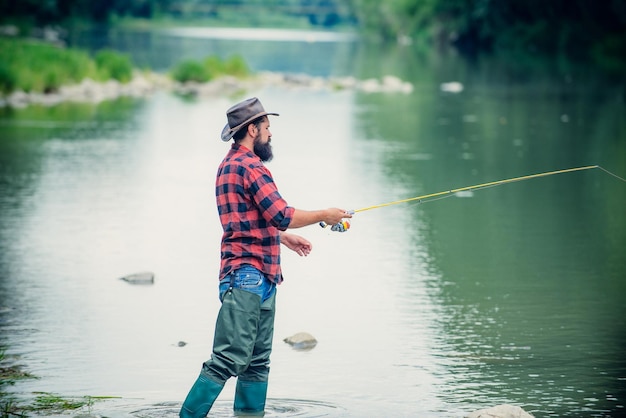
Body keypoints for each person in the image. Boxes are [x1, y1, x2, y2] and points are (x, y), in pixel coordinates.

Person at [179, 97, 351, 417]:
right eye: (268, 128)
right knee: (228, 360)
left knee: (257, 363)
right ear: (253, 129)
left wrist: (281, 238)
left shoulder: (229, 165)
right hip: (248, 275)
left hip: (261, 275)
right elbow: (282, 213)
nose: (271, 134)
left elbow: (247, 219)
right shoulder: (251, 167)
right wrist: (325, 214)